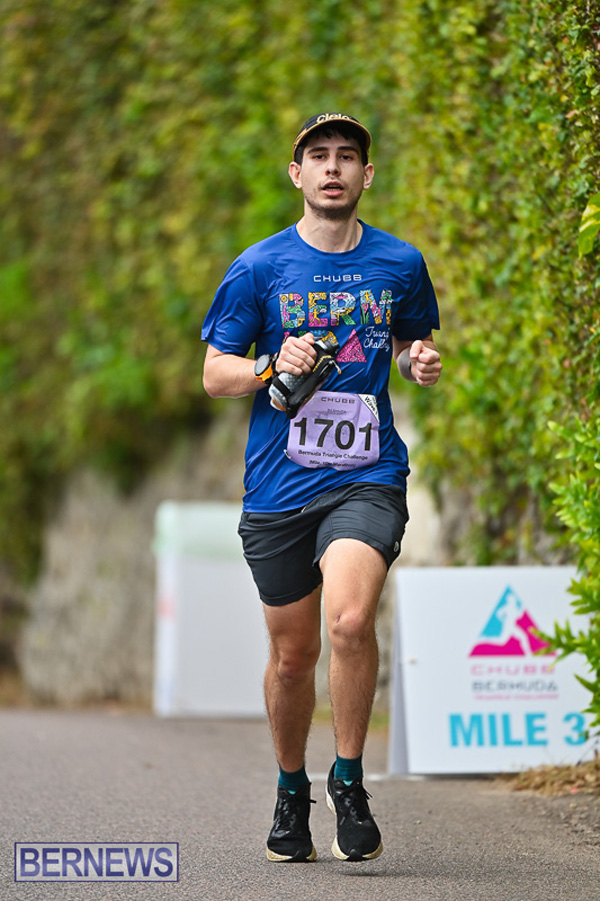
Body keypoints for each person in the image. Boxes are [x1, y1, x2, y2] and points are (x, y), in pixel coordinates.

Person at [202, 112, 442, 863]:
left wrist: (416, 361)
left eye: (346, 157)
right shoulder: (259, 267)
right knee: (292, 655)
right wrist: (271, 364)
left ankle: (348, 779)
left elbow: (407, 340)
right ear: (297, 173)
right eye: (318, 156)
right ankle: (289, 787)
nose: (332, 167)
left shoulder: (400, 262)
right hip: (279, 485)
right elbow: (215, 374)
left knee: (350, 619)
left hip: (366, 474)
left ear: (366, 175)